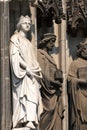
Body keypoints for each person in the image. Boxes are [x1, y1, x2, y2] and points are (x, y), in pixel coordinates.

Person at [10, 15, 43, 129]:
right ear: (19, 25)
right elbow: (15, 57)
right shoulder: (15, 38)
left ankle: (31, 119)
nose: (27, 25)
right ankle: (25, 120)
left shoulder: (29, 42)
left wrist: (35, 67)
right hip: (23, 74)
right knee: (26, 96)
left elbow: (32, 59)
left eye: (29, 23)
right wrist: (26, 68)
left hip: (32, 74)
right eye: (24, 23)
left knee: (33, 96)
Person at [37, 33, 64, 130]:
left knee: (55, 113)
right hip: (47, 90)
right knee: (49, 110)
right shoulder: (39, 53)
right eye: (52, 42)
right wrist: (52, 82)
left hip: (54, 91)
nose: (53, 45)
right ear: (45, 42)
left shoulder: (51, 57)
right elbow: (42, 73)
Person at [68, 38, 87, 130]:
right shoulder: (75, 64)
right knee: (82, 118)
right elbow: (70, 79)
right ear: (80, 50)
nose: (86, 51)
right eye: (84, 49)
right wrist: (80, 81)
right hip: (80, 94)